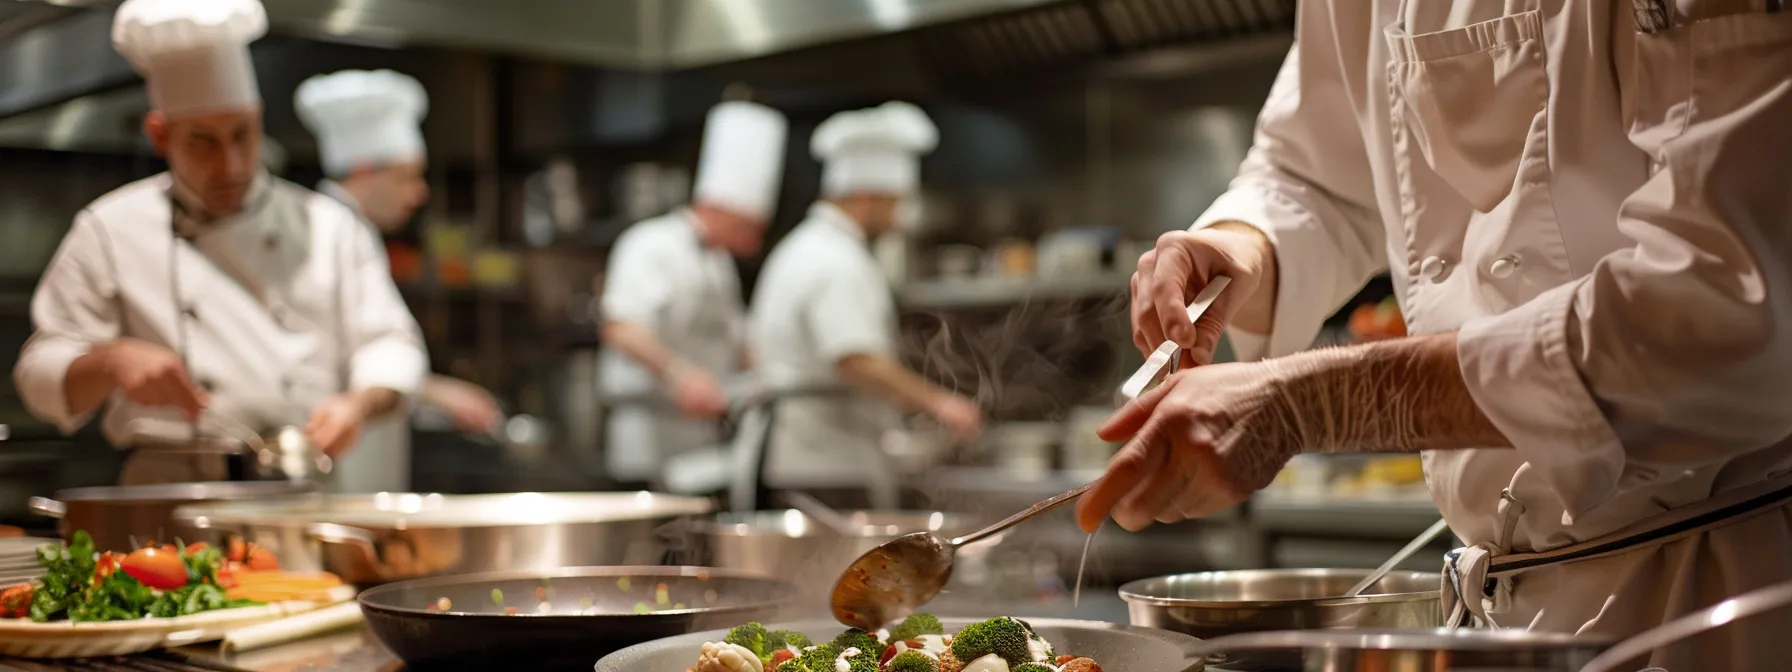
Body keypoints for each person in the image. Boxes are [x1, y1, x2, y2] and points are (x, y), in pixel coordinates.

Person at [1076, 2, 1792, 668]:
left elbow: (1731, 311)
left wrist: (1318, 405)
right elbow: (1313, 169)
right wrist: (1243, 247)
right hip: (1507, 602)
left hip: (1729, 594)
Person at [12, 0, 427, 486]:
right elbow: (38, 374)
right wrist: (110, 361)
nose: (230, 166)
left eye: (242, 135)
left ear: (259, 117)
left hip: (302, 485)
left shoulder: (328, 226)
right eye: (203, 142)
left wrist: (358, 403)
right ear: (161, 135)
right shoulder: (111, 228)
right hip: (168, 489)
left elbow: (390, 343)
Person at [750, 102, 982, 509]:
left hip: (803, 461)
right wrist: (941, 404)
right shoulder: (834, 259)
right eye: (895, 202)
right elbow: (856, 359)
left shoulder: (802, 247)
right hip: (825, 467)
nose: (900, 217)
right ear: (865, 195)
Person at [295, 69, 505, 468]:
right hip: (331, 452)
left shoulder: (354, 230)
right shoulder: (322, 231)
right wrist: (434, 392)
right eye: (407, 176)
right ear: (362, 171)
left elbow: (367, 346)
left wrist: (433, 390)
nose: (420, 193)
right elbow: (323, 360)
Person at [599, 99, 786, 488]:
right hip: (647, 441)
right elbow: (620, 327)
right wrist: (680, 376)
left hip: (701, 445)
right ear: (722, 206)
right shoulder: (649, 244)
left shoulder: (719, 263)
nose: (753, 245)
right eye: (750, 227)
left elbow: (738, 340)